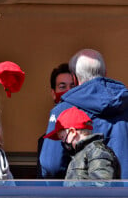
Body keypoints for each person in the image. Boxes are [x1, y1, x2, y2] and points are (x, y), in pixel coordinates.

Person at [39, 48, 128, 181]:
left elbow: (51, 165)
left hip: (84, 196)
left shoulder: (63, 109)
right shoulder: (125, 103)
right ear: (105, 73)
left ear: (74, 77)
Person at [44, 106, 121, 186]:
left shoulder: (97, 152)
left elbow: (101, 188)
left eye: (63, 137)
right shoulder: (81, 154)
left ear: (72, 132)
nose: (63, 142)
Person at [36, 63, 75, 180]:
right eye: (62, 87)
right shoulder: (43, 141)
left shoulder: (89, 132)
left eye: (73, 87)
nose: (68, 92)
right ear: (53, 93)